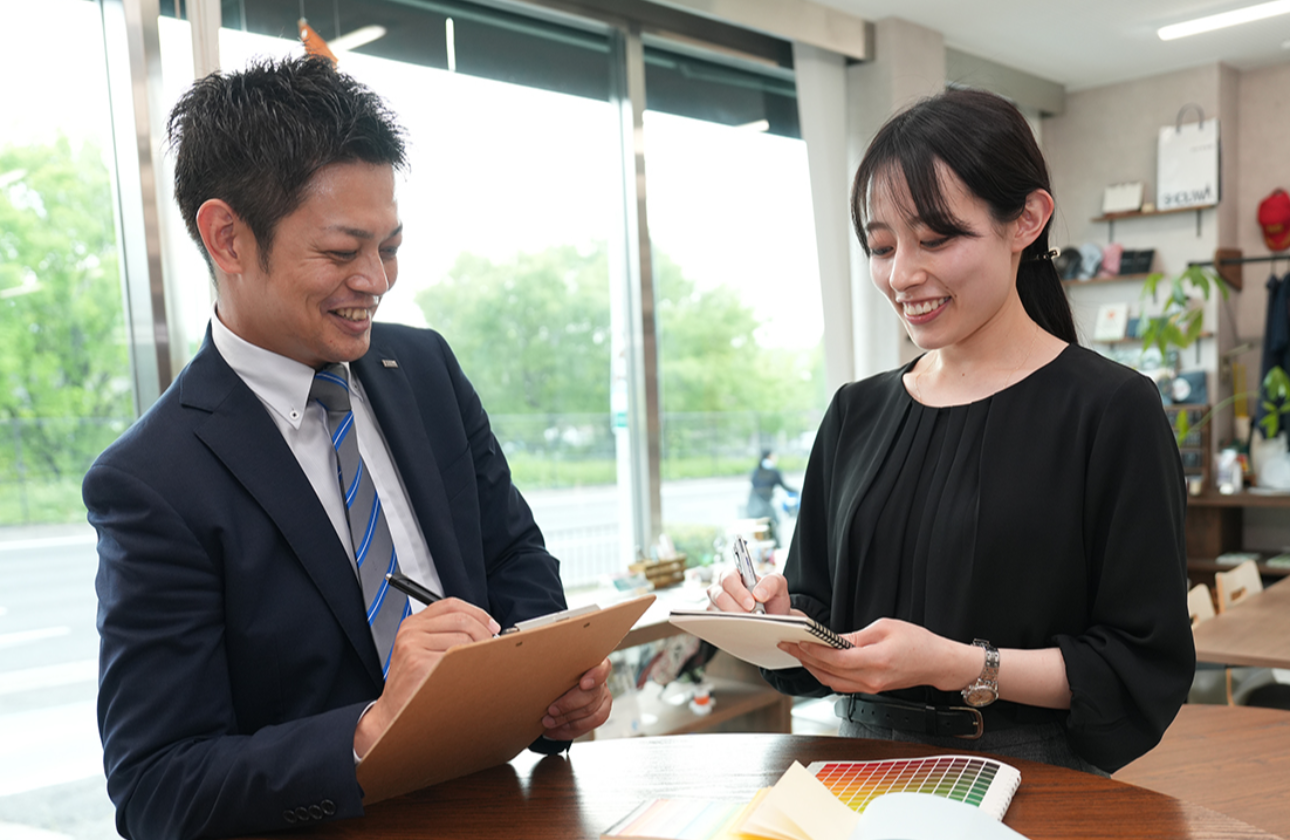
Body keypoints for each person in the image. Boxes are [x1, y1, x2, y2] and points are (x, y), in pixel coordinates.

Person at [83, 56, 611, 840]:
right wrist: (370, 731)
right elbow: (158, 789)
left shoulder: (424, 369)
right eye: (340, 252)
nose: (376, 280)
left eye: (390, 247)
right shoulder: (153, 480)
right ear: (227, 237)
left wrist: (553, 684)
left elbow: (513, 563)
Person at [709, 88, 1194, 775]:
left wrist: (961, 665)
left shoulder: (1111, 410)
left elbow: (1140, 663)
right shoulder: (855, 413)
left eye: (937, 239)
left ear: (1026, 218)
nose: (903, 274)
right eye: (881, 246)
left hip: (1030, 777)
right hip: (854, 772)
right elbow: (817, 621)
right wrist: (777, 620)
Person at [746, 449, 796, 546]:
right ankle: (775, 548)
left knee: (759, 533)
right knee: (773, 526)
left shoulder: (755, 472)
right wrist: (797, 491)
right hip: (765, 508)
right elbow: (784, 486)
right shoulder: (774, 472)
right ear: (769, 457)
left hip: (753, 508)